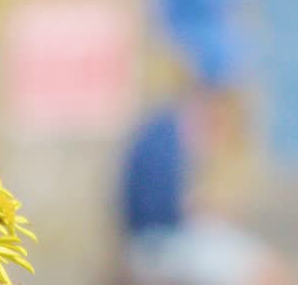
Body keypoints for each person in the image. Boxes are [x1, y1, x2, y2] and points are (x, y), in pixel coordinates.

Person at [117, 82, 288, 285]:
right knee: (270, 273)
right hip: (164, 243)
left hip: (148, 242)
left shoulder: (159, 128)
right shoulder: (176, 132)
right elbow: (174, 209)